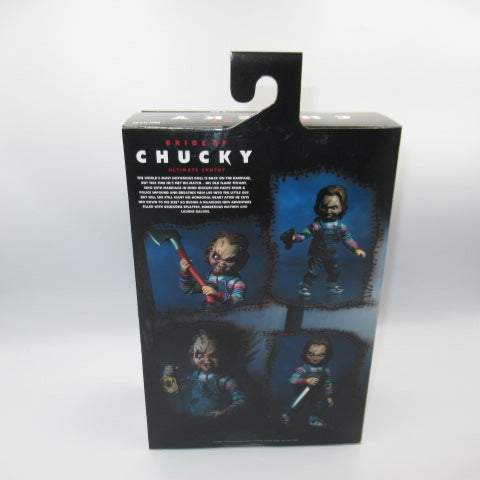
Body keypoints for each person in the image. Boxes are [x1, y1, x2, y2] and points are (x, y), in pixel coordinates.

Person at [281, 185, 366, 295]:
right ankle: (305, 286)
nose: (328, 211)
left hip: (333, 255)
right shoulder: (317, 225)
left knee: (335, 271)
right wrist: (293, 238)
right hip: (317, 255)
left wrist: (356, 249)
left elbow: (347, 238)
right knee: (312, 272)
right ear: (319, 206)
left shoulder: (341, 227)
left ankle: (332, 284)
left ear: (342, 208)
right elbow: (304, 234)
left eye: (334, 207)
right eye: (324, 207)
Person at [161, 329, 246, 418]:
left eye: (214, 355)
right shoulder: (194, 377)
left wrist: (224, 412)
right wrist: (168, 376)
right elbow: (176, 390)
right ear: (192, 356)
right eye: (200, 355)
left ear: (222, 355)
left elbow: (241, 400)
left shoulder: (225, 380)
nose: (207, 360)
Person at [179, 231, 249, 306]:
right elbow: (187, 290)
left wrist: (218, 295)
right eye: (216, 256)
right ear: (209, 252)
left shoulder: (237, 283)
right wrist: (185, 273)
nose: (221, 264)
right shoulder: (207, 279)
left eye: (229, 260)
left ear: (239, 261)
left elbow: (237, 302)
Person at [281, 337, 334, 428]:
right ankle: (286, 417)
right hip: (302, 392)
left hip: (317, 394)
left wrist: (329, 396)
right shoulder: (303, 369)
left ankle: (313, 420)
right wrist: (306, 380)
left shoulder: (326, 370)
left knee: (318, 406)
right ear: (305, 353)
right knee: (296, 405)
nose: (315, 358)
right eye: (310, 354)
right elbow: (292, 380)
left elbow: (328, 383)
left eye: (320, 355)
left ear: (327, 355)